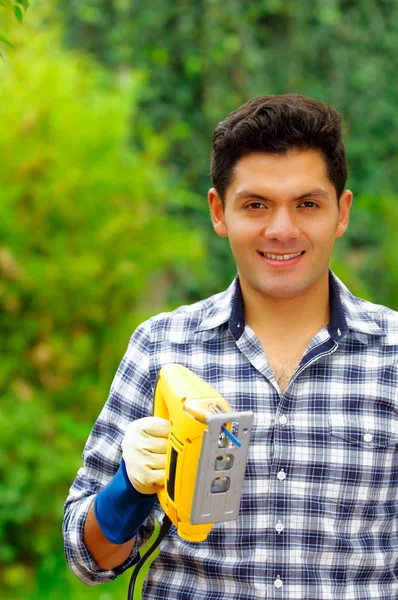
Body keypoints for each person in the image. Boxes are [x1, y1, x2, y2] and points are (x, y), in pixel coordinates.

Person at [63, 94, 398, 599]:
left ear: (341, 212)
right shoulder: (161, 347)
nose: (282, 230)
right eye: (256, 204)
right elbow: (89, 560)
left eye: (307, 204)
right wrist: (127, 491)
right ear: (219, 212)